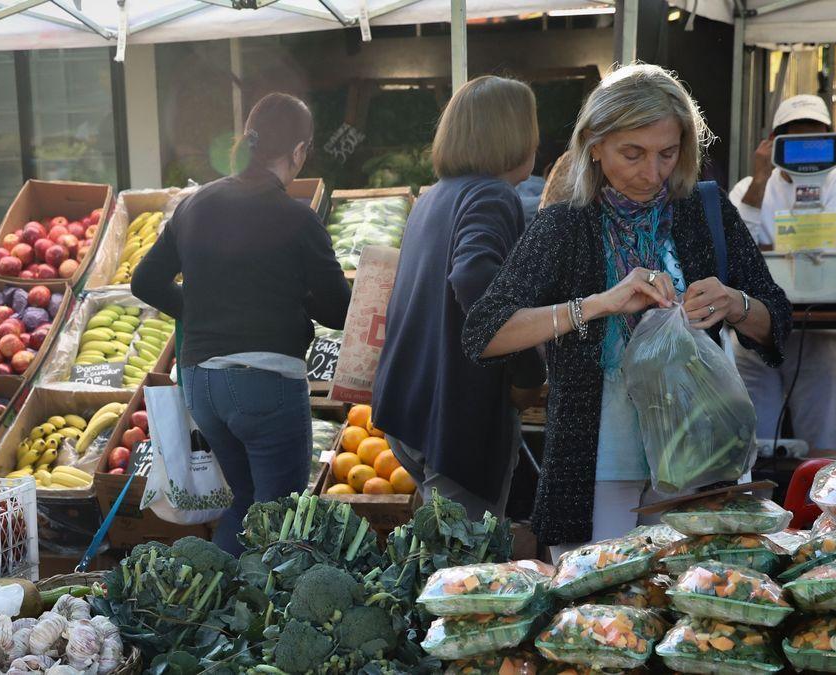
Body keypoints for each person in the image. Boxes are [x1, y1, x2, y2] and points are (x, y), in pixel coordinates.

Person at [462, 64, 792, 551]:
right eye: (632, 154)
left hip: (703, 455)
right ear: (594, 146)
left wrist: (735, 303)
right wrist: (598, 304)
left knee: (699, 605)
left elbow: (777, 321)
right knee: (602, 614)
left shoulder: (706, 211)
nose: (651, 172)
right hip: (598, 465)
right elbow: (484, 333)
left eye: (667, 153)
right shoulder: (563, 227)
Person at [132, 93, 351, 555]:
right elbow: (337, 311)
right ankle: (264, 621)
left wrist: (196, 307)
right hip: (265, 383)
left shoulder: (194, 205)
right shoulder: (297, 218)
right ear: (297, 152)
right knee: (280, 516)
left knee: (244, 505)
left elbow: (145, 281)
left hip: (200, 383)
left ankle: (221, 612)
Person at [372, 76, 546, 522]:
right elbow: (472, 276)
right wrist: (528, 375)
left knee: (443, 559)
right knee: (463, 574)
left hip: (411, 411)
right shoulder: (493, 195)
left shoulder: (433, 197)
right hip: (456, 419)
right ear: (512, 134)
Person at [728, 95, 836, 451]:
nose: (807, 151)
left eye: (816, 139)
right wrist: (760, 180)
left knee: (824, 442)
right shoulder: (746, 189)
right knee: (752, 442)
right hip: (754, 333)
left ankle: (826, 509)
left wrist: (775, 244)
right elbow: (735, 248)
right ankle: (758, 505)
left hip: (820, 332)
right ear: (773, 143)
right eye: (795, 141)